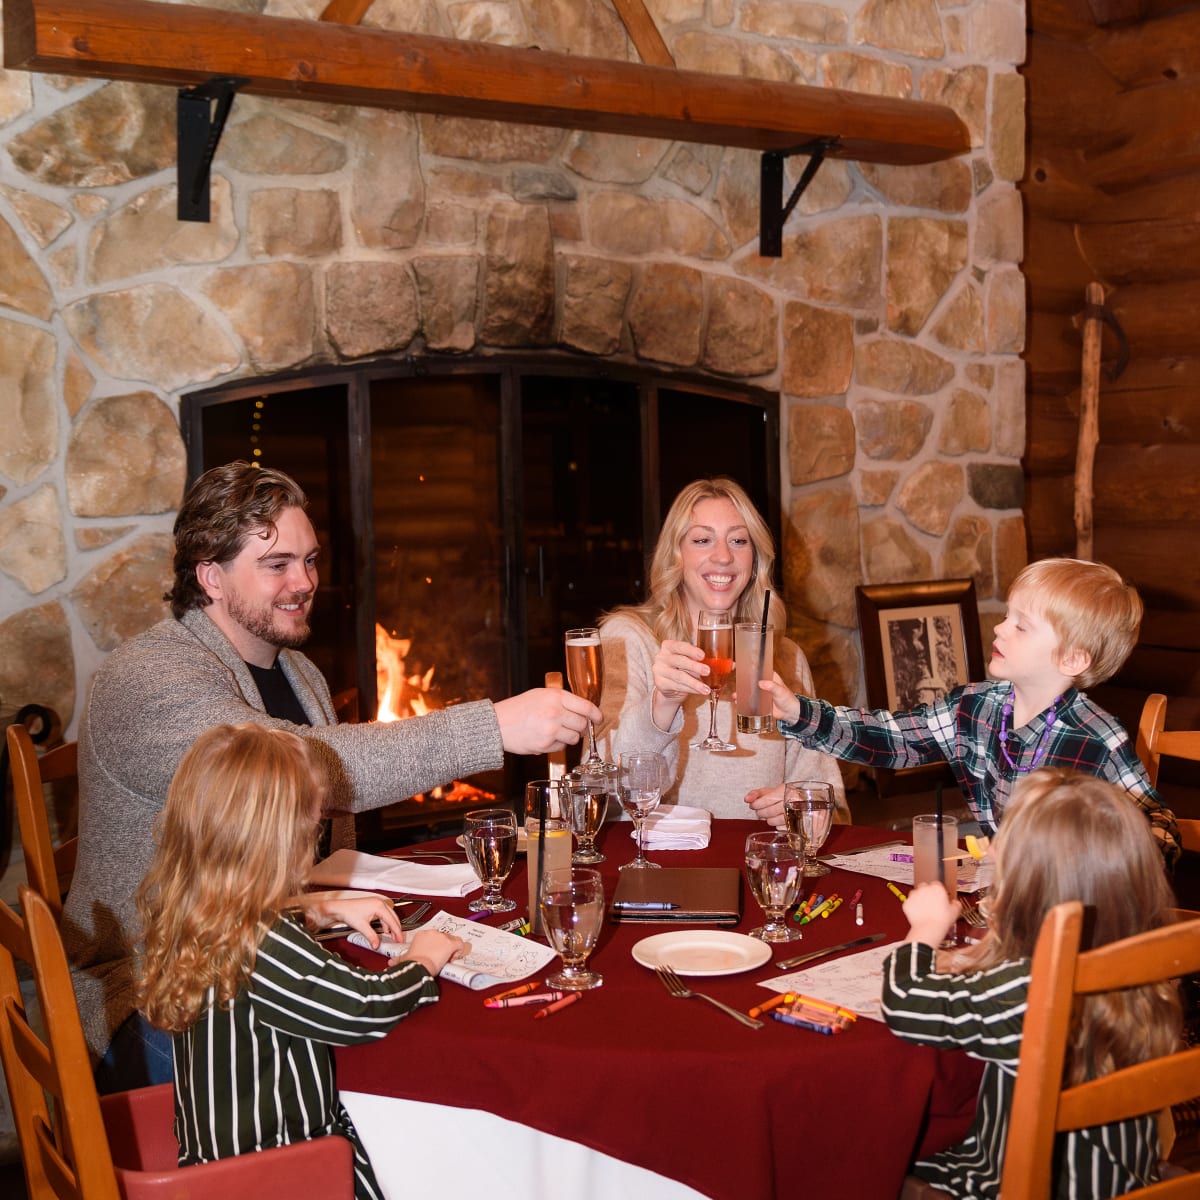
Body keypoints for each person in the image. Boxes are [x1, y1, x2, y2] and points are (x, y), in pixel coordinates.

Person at [64, 460, 600, 1091]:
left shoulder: (299, 674)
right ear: (210, 576)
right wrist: (493, 728)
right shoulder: (149, 680)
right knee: (374, 1052)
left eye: (311, 560)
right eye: (277, 565)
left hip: (252, 954)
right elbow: (302, 767)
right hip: (148, 989)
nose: (304, 581)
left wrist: (315, 907)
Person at [137, 723, 469, 1200]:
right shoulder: (262, 941)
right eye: (311, 828)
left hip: (216, 1162)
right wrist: (422, 960)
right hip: (280, 1170)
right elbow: (361, 1008)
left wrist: (321, 906)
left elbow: (251, 921)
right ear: (279, 842)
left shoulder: (193, 909)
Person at [759, 557, 1180, 865]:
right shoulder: (976, 706)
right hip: (1002, 897)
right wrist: (798, 712)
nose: (999, 627)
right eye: (1006, 616)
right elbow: (894, 739)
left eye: (1021, 625)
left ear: (1072, 659)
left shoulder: (1097, 739)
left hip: (1074, 914)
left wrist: (1078, 852)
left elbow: (1158, 831)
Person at [881, 769, 1182, 1197]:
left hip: (1022, 1184)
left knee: (872, 1161)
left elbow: (904, 1004)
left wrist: (924, 932)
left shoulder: (1032, 988)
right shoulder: (1138, 969)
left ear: (1027, 892)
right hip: (1120, 1181)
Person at [597, 477, 847, 824]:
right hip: (659, 869)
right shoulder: (629, 639)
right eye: (702, 540)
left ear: (755, 557)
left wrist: (803, 807)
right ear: (676, 554)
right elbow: (606, 793)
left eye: (738, 540)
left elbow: (833, 806)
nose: (723, 556)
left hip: (761, 864)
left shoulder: (784, 657)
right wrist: (662, 706)